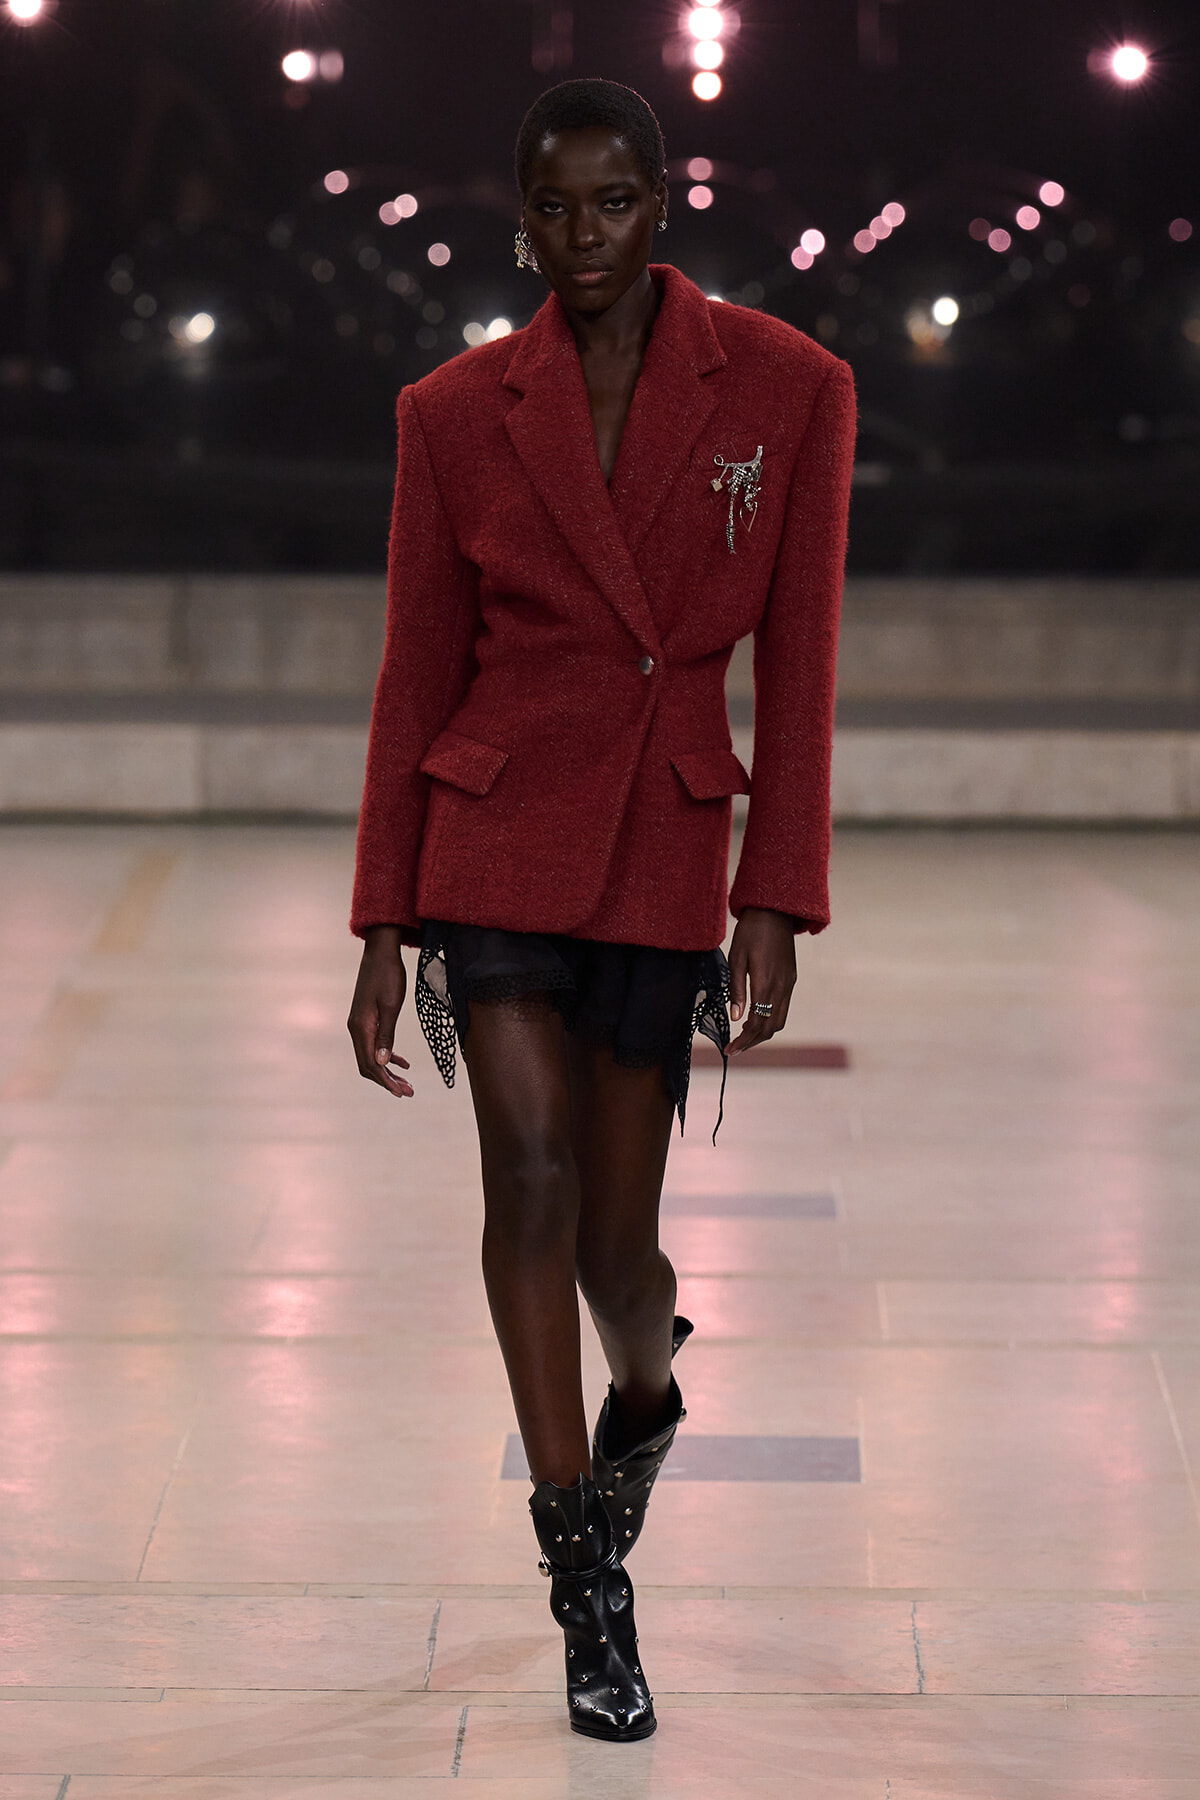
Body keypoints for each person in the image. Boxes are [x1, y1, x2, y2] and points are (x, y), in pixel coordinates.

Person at [347, 77, 855, 1742]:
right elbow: (416, 665)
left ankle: (646, 1389)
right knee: (532, 1173)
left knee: (621, 1256)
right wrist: (380, 924)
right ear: (521, 223)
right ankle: (584, 1577)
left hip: (658, 842)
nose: (585, 237)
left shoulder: (789, 387)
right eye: (554, 211)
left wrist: (774, 893)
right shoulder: (454, 410)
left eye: (613, 204)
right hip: (492, 829)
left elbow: (802, 663)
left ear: (662, 202)